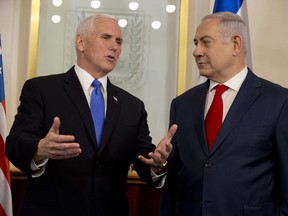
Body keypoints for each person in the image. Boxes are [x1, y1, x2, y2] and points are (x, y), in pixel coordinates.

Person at [6, 13, 177, 216]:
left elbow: (144, 160)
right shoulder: (42, 89)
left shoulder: (132, 106)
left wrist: (158, 164)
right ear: (81, 42)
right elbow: (16, 143)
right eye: (106, 37)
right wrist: (40, 149)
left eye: (119, 41)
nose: (115, 46)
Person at [160, 12, 288, 216]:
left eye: (205, 42)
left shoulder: (279, 101)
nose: (196, 52)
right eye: (195, 43)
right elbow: (174, 183)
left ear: (236, 44)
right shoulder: (182, 104)